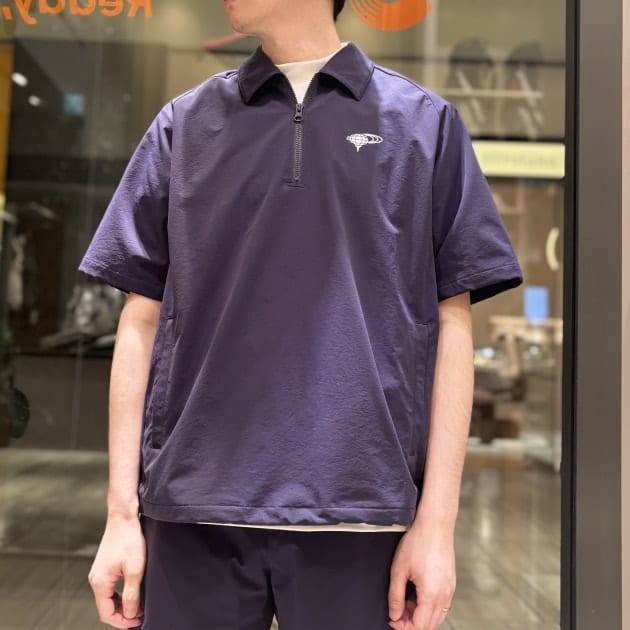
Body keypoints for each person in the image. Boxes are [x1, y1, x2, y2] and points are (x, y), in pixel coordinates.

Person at [79, 1, 522, 629]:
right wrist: (121, 516)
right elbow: (140, 321)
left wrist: (437, 525)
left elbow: (451, 327)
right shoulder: (184, 125)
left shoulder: (425, 126)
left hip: (364, 512)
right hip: (191, 509)